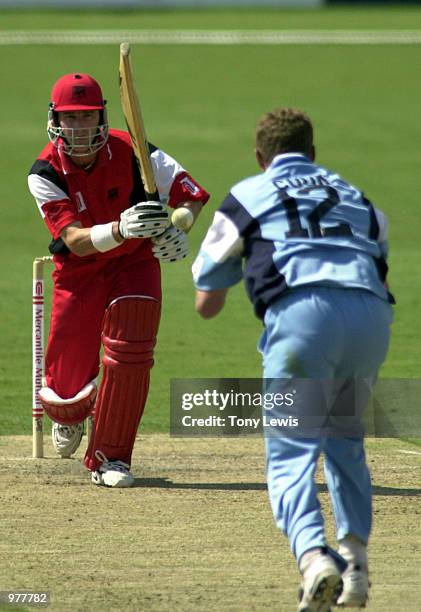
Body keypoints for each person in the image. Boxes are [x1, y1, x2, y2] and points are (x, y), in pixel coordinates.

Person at [192, 108, 393, 611]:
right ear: (314, 154)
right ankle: (356, 565)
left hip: (305, 317)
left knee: (291, 451)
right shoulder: (355, 195)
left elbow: (206, 302)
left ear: (260, 157)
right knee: (346, 440)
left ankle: (313, 558)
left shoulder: (248, 194)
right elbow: (379, 264)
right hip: (371, 316)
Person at [28, 73, 209, 488]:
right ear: (55, 120)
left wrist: (179, 228)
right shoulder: (44, 172)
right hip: (80, 270)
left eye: (87, 118)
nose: (79, 128)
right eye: (71, 120)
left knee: (132, 350)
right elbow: (73, 239)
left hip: (134, 263)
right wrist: (121, 228)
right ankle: (73, 414)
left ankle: (111, 457)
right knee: (65, 393)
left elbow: (189, 193)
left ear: (101, 118)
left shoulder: (131, 150)